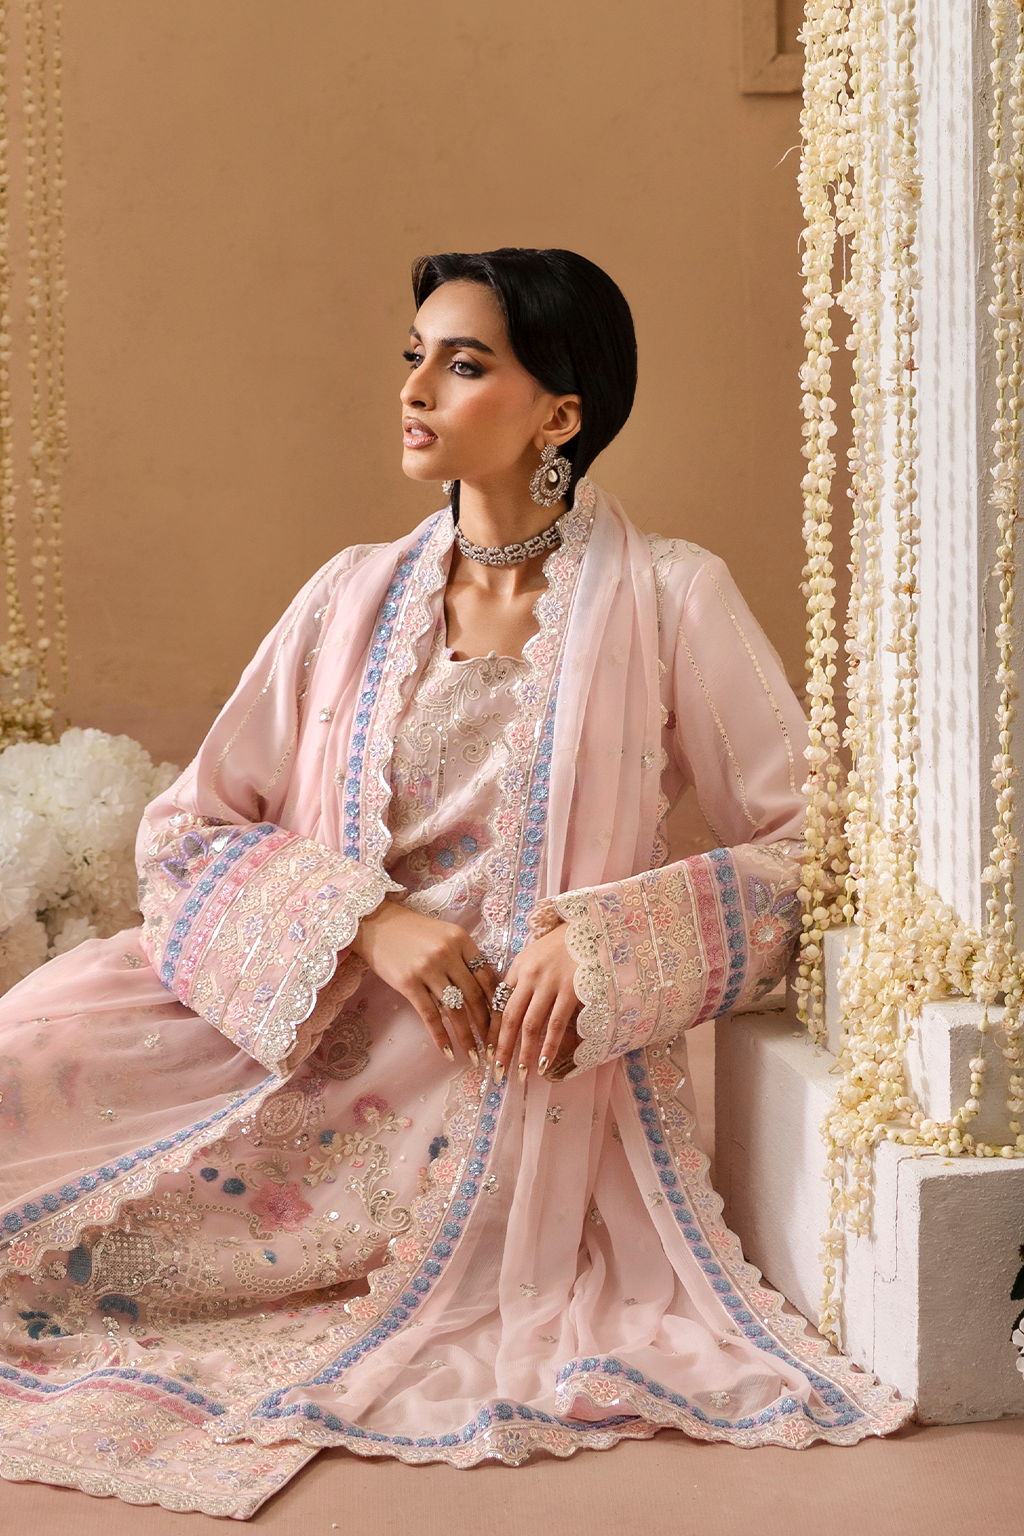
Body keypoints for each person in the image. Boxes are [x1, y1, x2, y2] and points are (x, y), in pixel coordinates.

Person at [0, 248, 911, 1518]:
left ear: (560, 414)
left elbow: (817, 846)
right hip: (287, 1011)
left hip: (481, 1073)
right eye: (414, 355)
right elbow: (189, 831)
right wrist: (365, 921)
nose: (416, 388)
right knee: (19, 1063)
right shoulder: (349, 595)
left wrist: (601, 944)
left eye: (464, 363)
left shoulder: (667, 595)